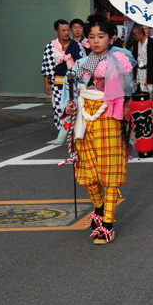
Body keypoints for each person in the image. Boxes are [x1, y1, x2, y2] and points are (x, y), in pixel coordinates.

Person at [60, 15, 135, 245]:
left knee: (110, 171)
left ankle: (108, 222)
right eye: (91, 37)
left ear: (111, 37)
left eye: (101, 36)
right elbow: (69, 89)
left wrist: (112, 68)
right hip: (85, 116)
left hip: (110, 117)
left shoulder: (121, 58)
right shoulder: (82, 64)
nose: (95, 41)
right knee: (88, 170)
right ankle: (99, 207)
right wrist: (70, 104)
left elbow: (128, 87)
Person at [42, 19, 84, 129]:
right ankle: (62, 128)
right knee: (59, 106)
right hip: (58, 81)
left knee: (74, 105)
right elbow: (47, 66)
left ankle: (74, 128)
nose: (66, 33)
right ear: (57, 32)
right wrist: (46, 83)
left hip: (73, 81)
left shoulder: (76, 45)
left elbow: (82, 61)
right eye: (63, 30)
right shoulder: (51, 46)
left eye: (67, 30)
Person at [130, 24, 153, 102]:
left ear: (141, 34)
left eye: (135, 35)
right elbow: (134, 57)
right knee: (141, 90)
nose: (134, 36)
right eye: (133, 35)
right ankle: (144, 105)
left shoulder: (151, 41)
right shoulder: (135, 43)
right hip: (139, 70)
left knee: (151, 90)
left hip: (149, 69)